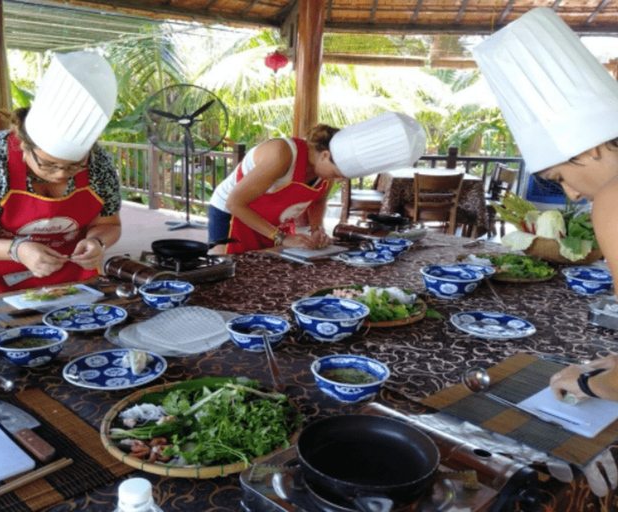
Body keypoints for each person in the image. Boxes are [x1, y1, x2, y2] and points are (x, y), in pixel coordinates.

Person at [472, 7, 618, 402]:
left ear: (588, 149)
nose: (571, 193)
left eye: (560, 177)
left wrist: (589, 382)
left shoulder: (613, 199)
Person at [0, 51, 121, 299]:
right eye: (49, 164)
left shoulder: (99, 165)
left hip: (56, 253)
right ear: (24, 144)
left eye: (75, 166)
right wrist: (19, 250)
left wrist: (97, 242)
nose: (62, 175)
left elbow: (109, 223)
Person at [208, 112, 427, 254]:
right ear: (324, 156)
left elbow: (317, 200)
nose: (339, 180)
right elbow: (235, 202)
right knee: (229, 271)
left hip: (272, 220)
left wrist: (317, 228)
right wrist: (282, 237)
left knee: (269, 269)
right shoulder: (282, 155)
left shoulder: (325, 171)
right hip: (232, 215)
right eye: (338, 173)